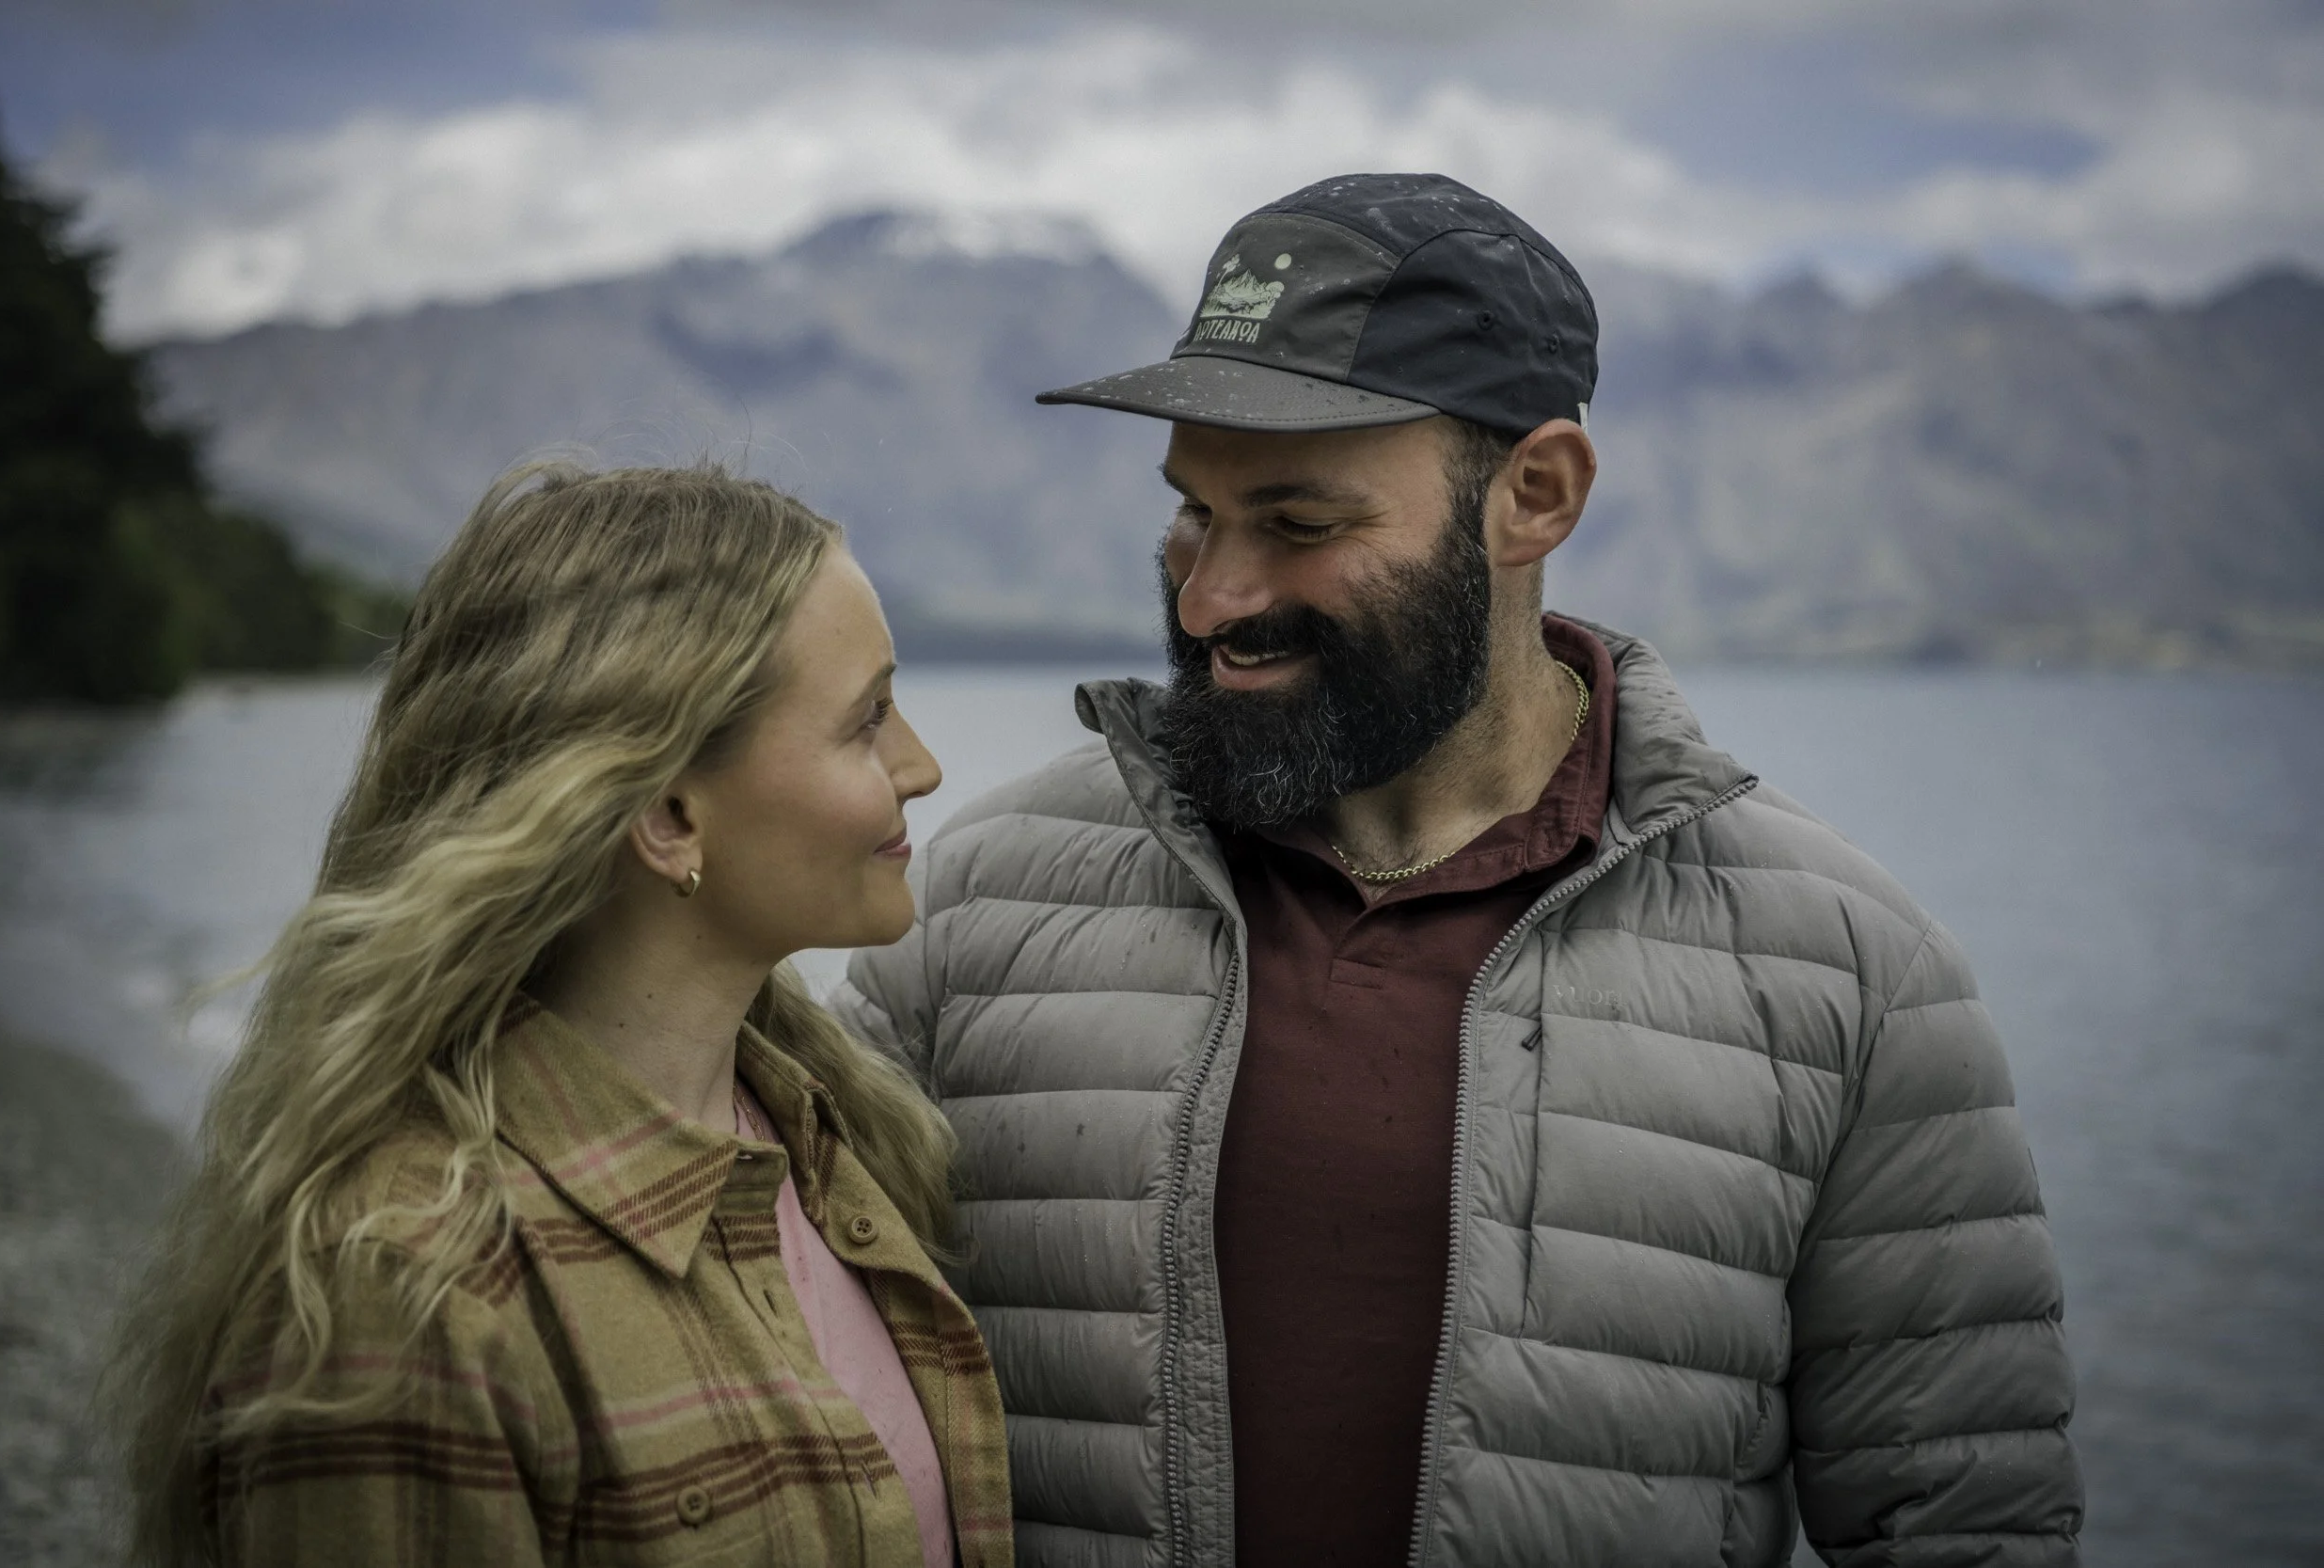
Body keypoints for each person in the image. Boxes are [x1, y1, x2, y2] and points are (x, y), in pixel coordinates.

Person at [834, 174, 2082, 1566]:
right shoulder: (977, 901)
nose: (1209, 597)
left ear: (1535, 495)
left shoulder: (1851, 974)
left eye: (1301, 525)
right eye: (1193, 511)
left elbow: (1968, 1527)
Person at [106, 466, 1013, 1567]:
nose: (922, 765)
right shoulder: (406, 1293)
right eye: (867, 718)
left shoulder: (833, 1146)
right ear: (672, 816)